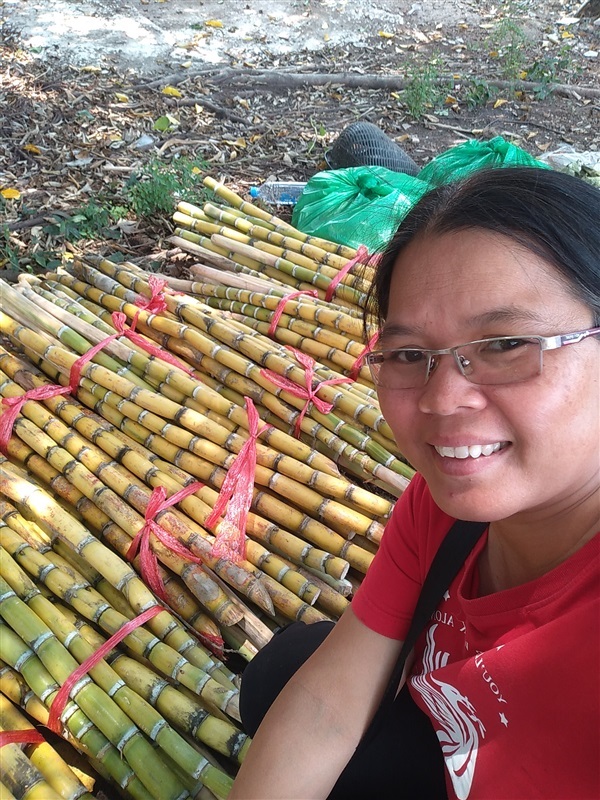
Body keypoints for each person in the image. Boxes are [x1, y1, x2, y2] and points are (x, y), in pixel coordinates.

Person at [229, 166, 600, 800]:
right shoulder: (447, 507)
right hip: (457, 740)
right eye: (408, 355)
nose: (442, 399)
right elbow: (327, 707)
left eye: (506, 344)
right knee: (286, 672)